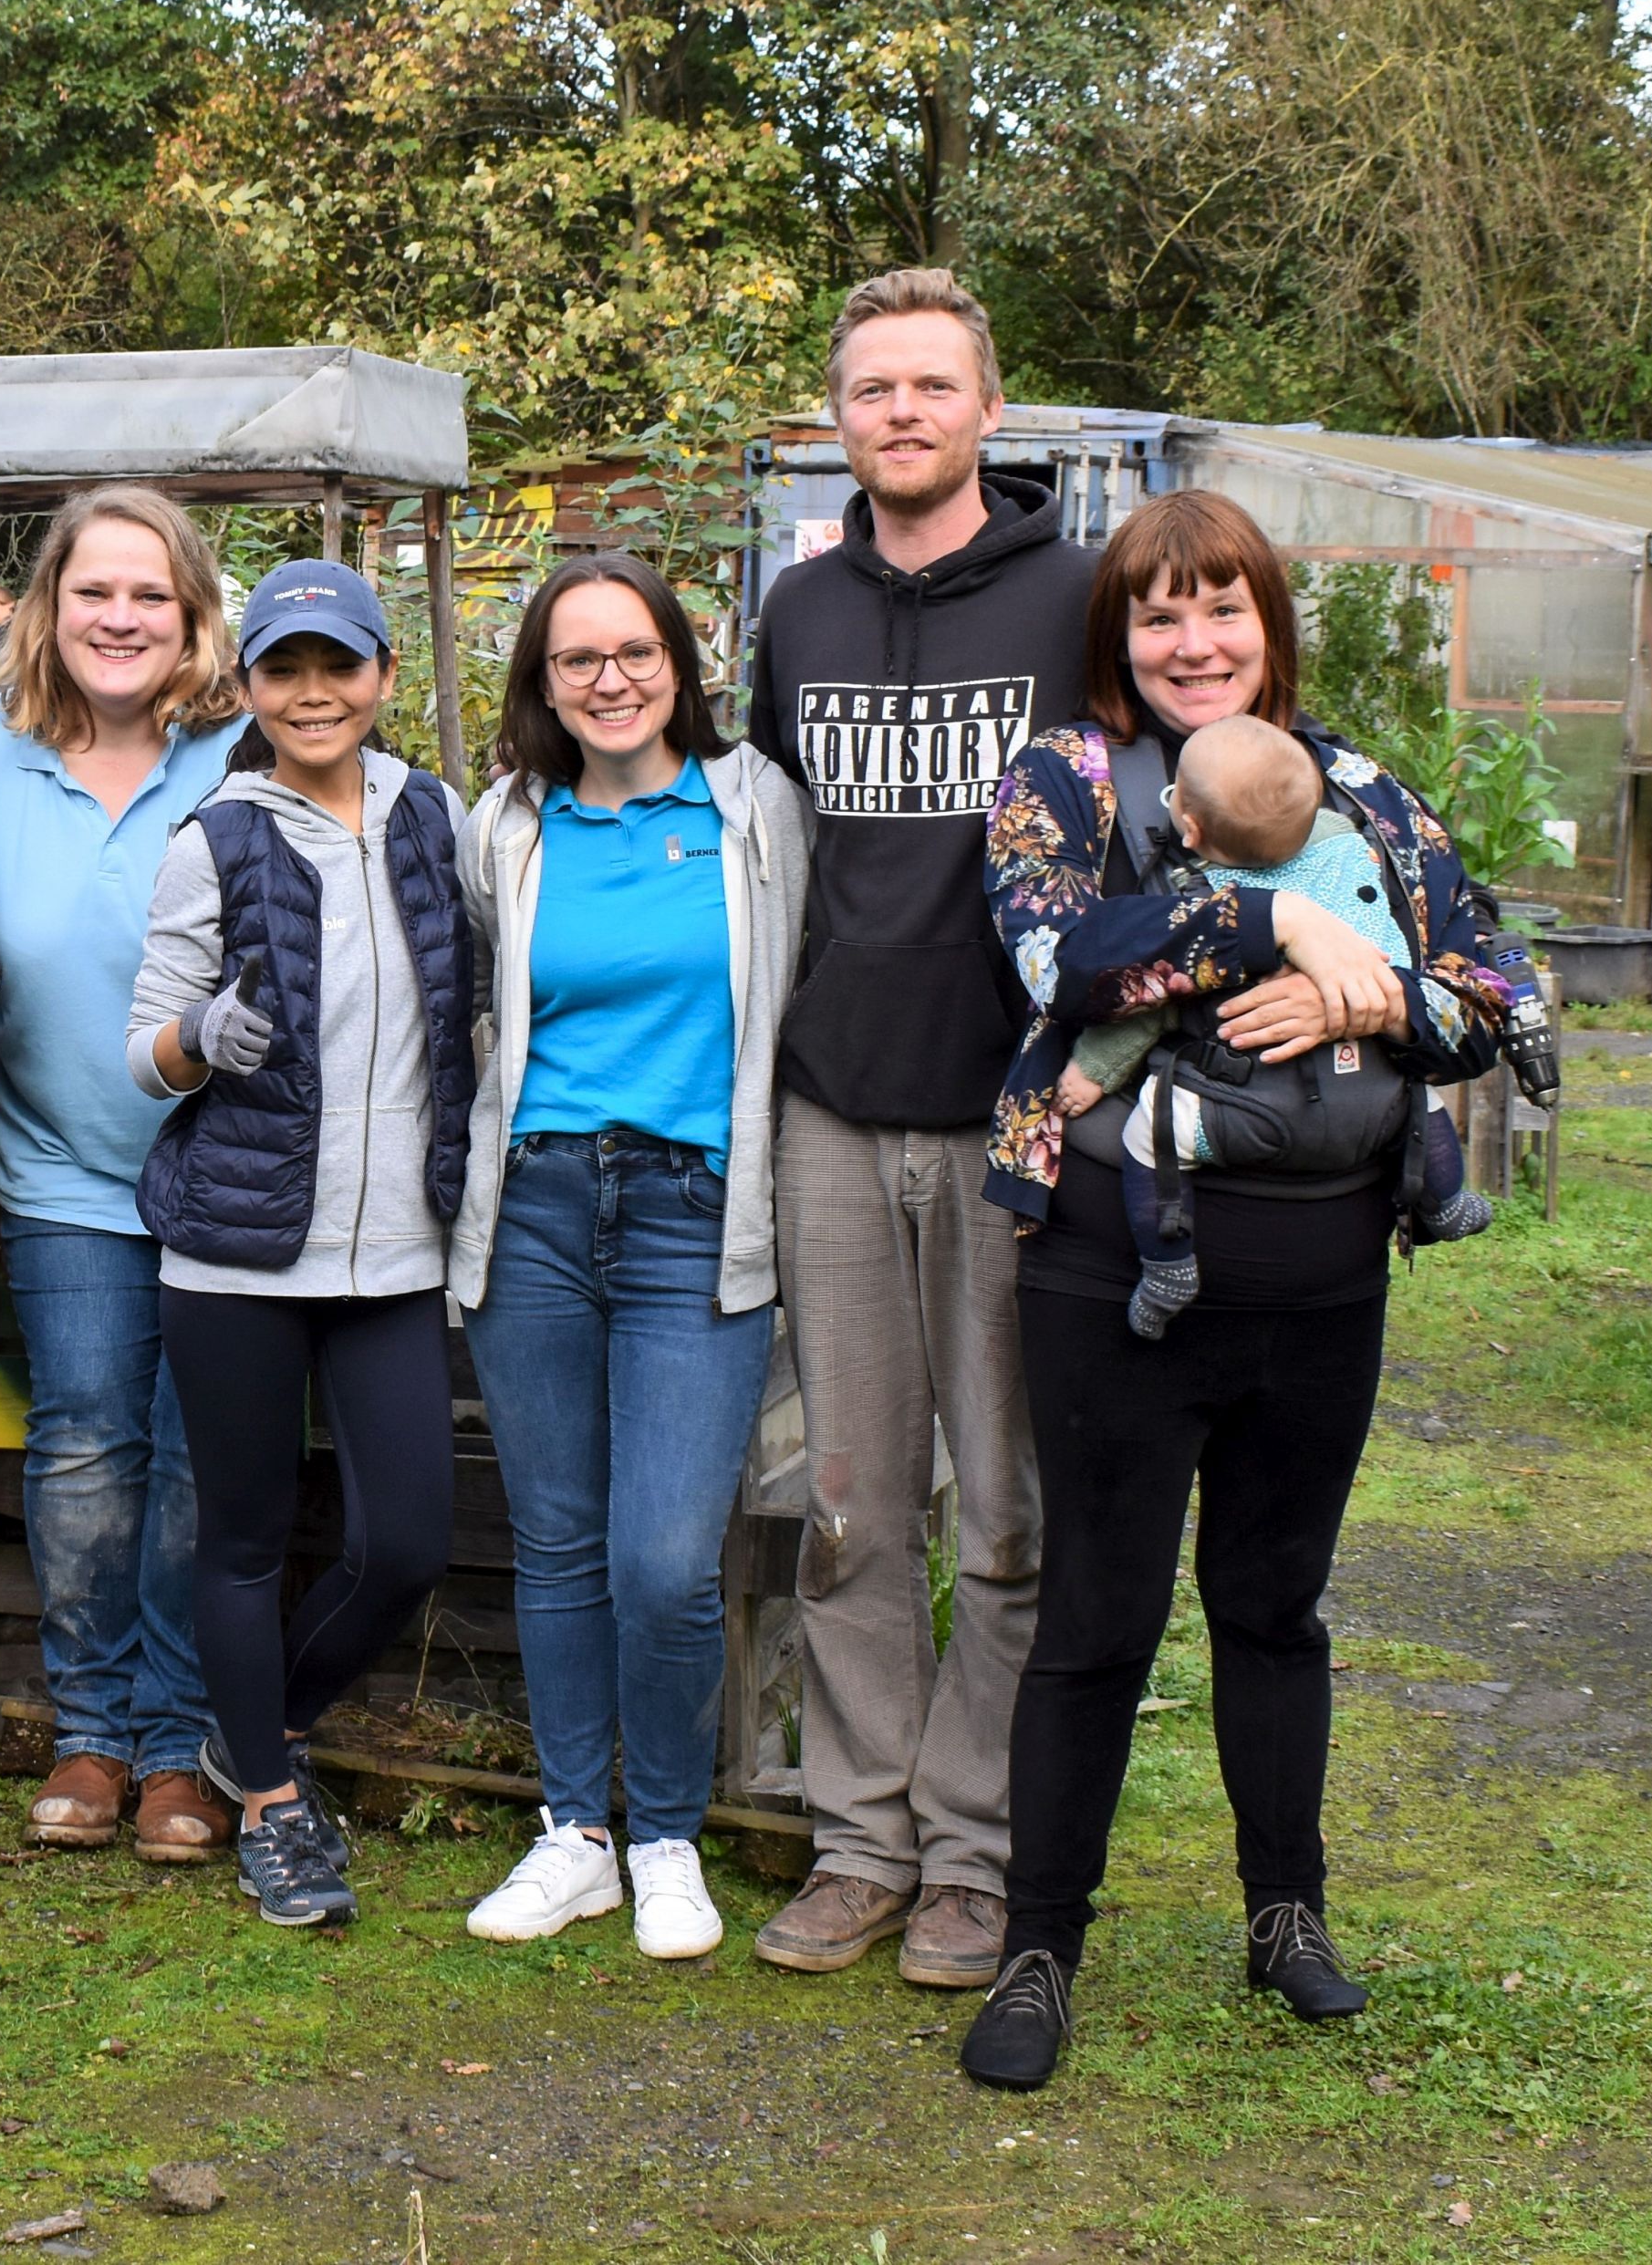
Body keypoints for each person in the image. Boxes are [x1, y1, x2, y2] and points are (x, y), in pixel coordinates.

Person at [958, 491, 1512, 2090]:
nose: (1194, 643)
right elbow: (1059, 958)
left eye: (1224, 610)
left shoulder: (1364, 792)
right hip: (1111, 1268)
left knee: (1275, 1605)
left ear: (1270, 624)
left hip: (1326, 1279)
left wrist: (1384, 989)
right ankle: (1039, 1945)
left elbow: (1497, 987)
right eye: (1158, 614)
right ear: (1117, 638)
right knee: (1098, 1618)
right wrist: (1270, 920)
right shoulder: (1062, 779)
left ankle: (1288, 1916)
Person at [743, 267, 1090, 1993]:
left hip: (1012, 1114)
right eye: (870, 388)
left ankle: (977, 1852)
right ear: (839, 417)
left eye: (930, 385)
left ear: (989, 406)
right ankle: (861, 1836)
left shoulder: (1077, 603)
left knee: (1006, 1513)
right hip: (831, 1106)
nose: (900, 412)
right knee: (853, 1504)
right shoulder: (796, 615)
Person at [451, 554, 808, 1959]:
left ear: (681, 660)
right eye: (576, 658)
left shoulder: (754, 811)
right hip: (535, 1205)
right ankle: (573, 1832)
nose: (609, 678)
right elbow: (484, 996)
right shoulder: (508, 825)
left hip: (693, 1212)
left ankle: (665, 1831)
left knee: (663, 1556)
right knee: (557, 1541)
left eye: (634, 650)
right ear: (542, 681)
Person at [127, 557, 476, 1932]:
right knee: (246, 1539)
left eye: (341, 664)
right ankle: (272, 1802)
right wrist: (199, 1038)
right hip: (237, 1250)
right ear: (251, 686)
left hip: (395, 1249)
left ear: (385, 676)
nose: (315, 691)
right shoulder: (211, 838)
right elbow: (139, 1058)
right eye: (286, 668)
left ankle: (237, 1737)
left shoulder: (434, 817)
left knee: (406, 1543)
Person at [0, 489, 248, 1862]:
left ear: (192, 616)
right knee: (84, 1441)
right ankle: (91, 1727)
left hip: (231, 1171)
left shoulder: (248, 753)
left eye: (150, 596)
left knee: (204, 1457)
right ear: (45, 609)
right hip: (61, 1163)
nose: (119, 618)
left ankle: (189, 1734)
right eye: (93, 593)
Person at [1053, 712, 1491, 1337]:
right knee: (1423, 1094)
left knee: (1150, 1133)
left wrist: (1090, 1073)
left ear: (1193, 829)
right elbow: (1419, 967)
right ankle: (1444, 1198)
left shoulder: (1201, 900)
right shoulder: (1350, 848)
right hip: (1372, 1102)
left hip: (1244, 1108)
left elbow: (1153, 1007)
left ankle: (1167, 1263)